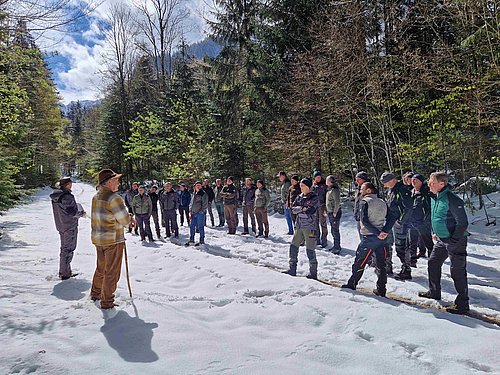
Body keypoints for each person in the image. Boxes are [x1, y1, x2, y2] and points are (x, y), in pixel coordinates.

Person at [418, 172, 470, 314]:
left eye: (431, 182)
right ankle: (434, 292)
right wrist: (436, 232)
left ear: (442, 184)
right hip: (442, 240)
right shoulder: (434, 197)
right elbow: (438, 217)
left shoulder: (452, 199)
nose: (428, 184)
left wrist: (453, 238)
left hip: (456, 241)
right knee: (433, 262)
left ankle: (462, 304)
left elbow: (462, 222)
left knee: (457, 271)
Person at [90, 169, 135, 309]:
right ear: (109, 182)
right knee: (111, 272)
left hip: (99, 240)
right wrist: (131, 219)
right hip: (113, 240)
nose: (118, 182)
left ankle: (96, 293)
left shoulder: (96, 196)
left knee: (101, 268)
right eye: (116, 180)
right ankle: (107, 301)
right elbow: (124, 220)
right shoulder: (114, 198)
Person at [342, 182, 388, 297]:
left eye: (362, 189)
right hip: (382, 238)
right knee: (381, 264)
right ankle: (381, 289)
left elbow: (365, 221)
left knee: (360, 261)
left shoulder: (364, 202)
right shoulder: (382, 202)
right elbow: (391, 216)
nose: (360, 191)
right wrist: (384, 231)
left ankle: (352, 283)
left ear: (368, 190)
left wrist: (378, 233)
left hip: (369, 237)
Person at [282, 178, 319, 279]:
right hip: (299, 226)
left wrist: (302, 209)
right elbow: (293, 209)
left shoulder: (314, 197)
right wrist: (302, 209)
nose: (301, 187)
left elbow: (310, 210)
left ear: (308, 186)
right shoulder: (299, 197)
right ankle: (292, 268)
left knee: (310, 249)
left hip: (310, 227)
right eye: (301, 186)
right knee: (293, 246)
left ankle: (313, 272)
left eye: (303, 186)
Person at [379, 171, 413, 280]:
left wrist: (401, 220)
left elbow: (408, 208)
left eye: (385, 182)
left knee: (401, 246)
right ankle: (387, 265)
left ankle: (406, 269)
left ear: (392, 180)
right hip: (390, 221)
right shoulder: (390, 191)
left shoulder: (402, 190)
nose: (384, 185)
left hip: (400, 223)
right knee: (386, 243)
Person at [50, 177, 85, 280]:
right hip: (69, 225)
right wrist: (81, 213)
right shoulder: (67, 196)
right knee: (68, 249)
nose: (72, 185)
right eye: (70, 184)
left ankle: (64, 270)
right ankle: (65, 273)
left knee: (64, 248)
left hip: (61, 224)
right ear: (67, 185)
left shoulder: (56, 195)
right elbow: (72, 212)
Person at [408, 174, 434, 264]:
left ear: (421, 181)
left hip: (423, 223)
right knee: (412, 242)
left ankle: (433, 262)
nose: (413, 182)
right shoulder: (411, 192)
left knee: (429, 243)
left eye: (416, 180)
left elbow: (430, 209)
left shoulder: (426, 193)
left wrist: (425, 222)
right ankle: (412, 260)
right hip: (412, 222)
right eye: (412, 180)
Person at [186, 181, 209, 245]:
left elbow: (205, 204)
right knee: (192, 226)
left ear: (201, 186)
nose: (198, 186)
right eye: (197, 185)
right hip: (193, 213)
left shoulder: (203, 194)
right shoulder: (194, 193)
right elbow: (191, 203)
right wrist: (190, 211)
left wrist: (201, 211)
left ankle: (202, 240)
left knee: (200, 227)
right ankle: (191, 239)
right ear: (195, 186)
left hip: (200, 213)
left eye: (199, 185)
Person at [325, 175, 342, 254]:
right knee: (333, 230)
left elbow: (337, 201)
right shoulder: (329, 190)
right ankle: (335, 245)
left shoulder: (334, 190)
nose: (326, 181)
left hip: (334, 212)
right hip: (330, 212)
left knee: (335, 230)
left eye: (327, 180)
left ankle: (337, 247)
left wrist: (335, 211)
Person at [311, 170, 328, 248]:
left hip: (322, 206)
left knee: (323, 223)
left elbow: (326, 197)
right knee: (315, 224)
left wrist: (325, 207)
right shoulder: (313, 186)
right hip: (314, 207)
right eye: (317, 177)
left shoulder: (324, 185)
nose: (318, 178)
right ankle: (317, 239)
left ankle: (324, 240)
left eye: (319, 177)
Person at [353, 172, 370, 239]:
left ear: (364, 179)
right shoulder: (358, 188)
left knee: (366, 236)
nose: (356, 181)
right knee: (361, 235)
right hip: (359, 216)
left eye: (358, 179)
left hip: (366, 217)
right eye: (356, 179)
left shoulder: (368, 188)